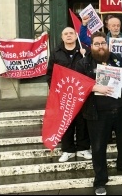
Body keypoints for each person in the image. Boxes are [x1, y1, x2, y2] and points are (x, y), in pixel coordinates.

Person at [75, 31, 122, 196]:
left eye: (103, 43)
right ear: (91, 46)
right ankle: (100, 181)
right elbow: (77, 84)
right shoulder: (83, 63)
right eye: (97, 44)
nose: (100, 46)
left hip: (121, 109)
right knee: (98, 147)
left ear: (107, 43)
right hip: (97, 113)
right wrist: (96, 87)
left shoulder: (115, 58)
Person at [46, 27, 92, 162]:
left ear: (75, 35)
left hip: (81, 94)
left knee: (82, 121)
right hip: (64, 95)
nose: (69, 35)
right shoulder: (56, 53)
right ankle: (68, 150)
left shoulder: (85, 51)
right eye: (66, 34)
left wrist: (86, 56)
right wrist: (56, 90)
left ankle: (83, 148)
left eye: (71, 33)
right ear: (62, 37)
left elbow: (91, 70)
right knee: (65, 122)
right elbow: (50, 74)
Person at [79, 15, 122, 86]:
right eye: (113, 26)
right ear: (108, 27)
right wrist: (84, 25)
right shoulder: (102, 40)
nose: (116, 28)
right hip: (104, 76)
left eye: (118, 26)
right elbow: (83, 38)